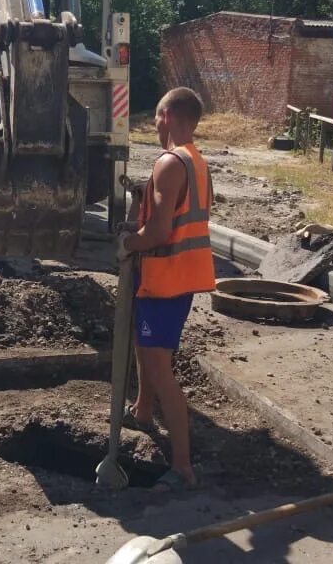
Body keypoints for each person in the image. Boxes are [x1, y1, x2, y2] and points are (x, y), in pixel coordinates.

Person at [117, 87, 217, 491]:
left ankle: (182, 467)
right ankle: (141, 412)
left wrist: (127, 243)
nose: (155, 126)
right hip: (180, 277)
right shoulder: (196, 161)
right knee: (147, 349)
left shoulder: (169, 163)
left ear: (168, 116)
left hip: (166, 280)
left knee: (160, 368)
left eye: (157, 118)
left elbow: (159, 231)